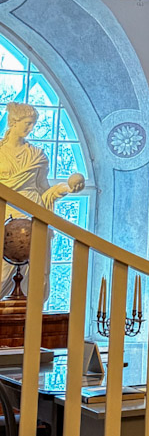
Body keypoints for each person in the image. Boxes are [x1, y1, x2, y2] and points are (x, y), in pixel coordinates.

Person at [0, 101, 85, 298]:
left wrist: (67, 188)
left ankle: (30, 309)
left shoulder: (37, 155)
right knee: (3, 272)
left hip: (33, 213)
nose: (31, 128)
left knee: (34, 271)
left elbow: (44, 191)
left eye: (33, 124)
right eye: (27, 123)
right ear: (14, 122)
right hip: (5, 213)